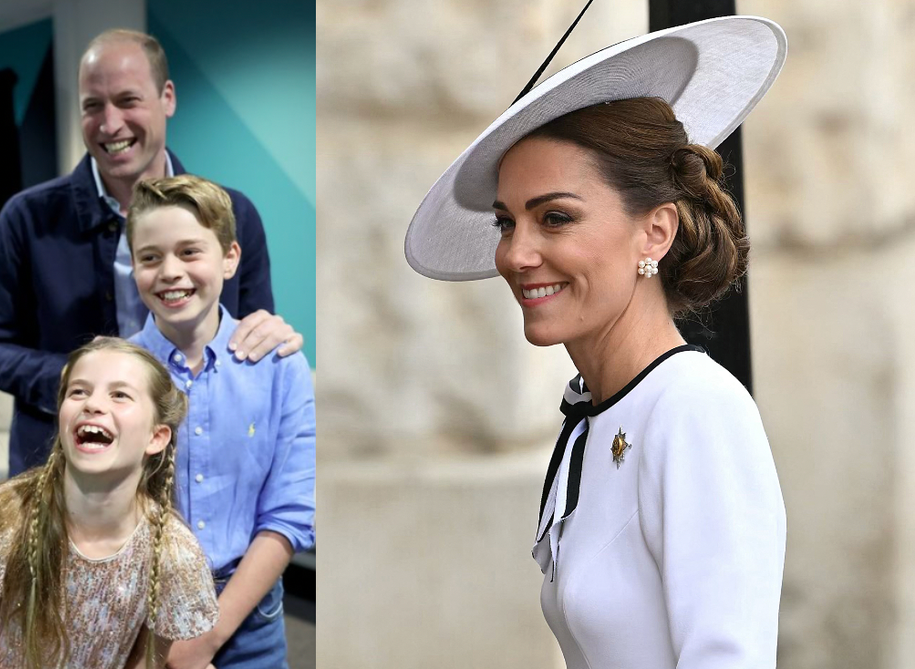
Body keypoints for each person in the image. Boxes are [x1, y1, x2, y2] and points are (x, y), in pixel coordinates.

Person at [405, 16, 788, 668]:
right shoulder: (594, 411)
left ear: (655, 232)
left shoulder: (695, 409)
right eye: (507, 222)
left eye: (555, 217)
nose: (516, 253)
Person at [0, 29, 304, 477]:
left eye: (128, 100)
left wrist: (271, 334)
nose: (110, 124)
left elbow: (250, 335)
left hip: (200, 471)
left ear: (167, 97)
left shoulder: (236, 214)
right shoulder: (26, 217)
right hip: (60, 472)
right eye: (93, 106)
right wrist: (78, 379)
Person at [126, 175, 315, 669]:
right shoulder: (116, 370)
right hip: (137, 614)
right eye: (150, 257)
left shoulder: (280, 367)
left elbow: (291, 512)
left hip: (249, 614)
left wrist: (206, 638)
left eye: (190, 252)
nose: (170, 272)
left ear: (229, 258)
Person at [0, 337, 218, 669]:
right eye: (78, 391)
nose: (92, 404)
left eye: (119, 395)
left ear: (156, 436)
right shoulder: (10, 515)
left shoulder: (172, 554)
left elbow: (145, 661)